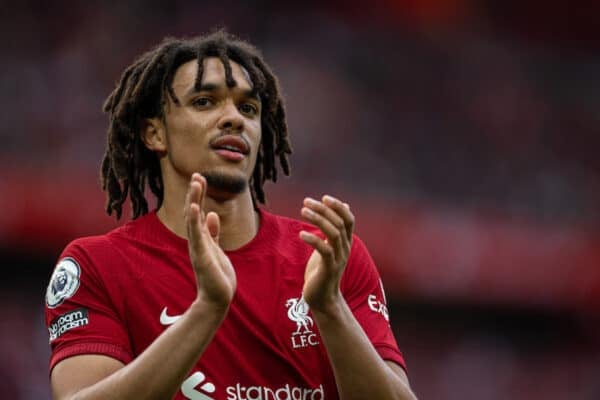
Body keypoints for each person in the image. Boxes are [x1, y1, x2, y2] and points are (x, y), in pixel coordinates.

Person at [44, 30, 417, 400]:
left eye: (248, 108)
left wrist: (330, 308)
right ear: (155, 134)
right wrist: (207, 310)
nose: (234, 118)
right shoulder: (98, 265)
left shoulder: (327, 260)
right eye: (205, 102)